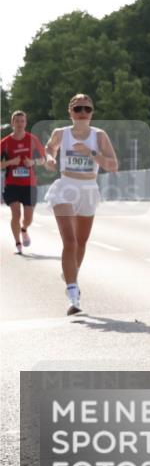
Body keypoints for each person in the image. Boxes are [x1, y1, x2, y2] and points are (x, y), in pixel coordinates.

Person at [43, 94, 119, 314]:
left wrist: (92, 153)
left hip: (88, 189)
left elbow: (113, 165)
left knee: (82, 242)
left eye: (87, 108)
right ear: (70, 112)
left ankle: (71, 272)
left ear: (92, 112)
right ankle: (73, 294)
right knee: (70, 241)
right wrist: (49, 158)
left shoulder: (99, 136)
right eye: (78, 109)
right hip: (66, 187)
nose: (83, 112)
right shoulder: (61, 134)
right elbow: (50, 148)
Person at [1, 110, 45, 254]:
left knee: (28, 217)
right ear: (12, 123)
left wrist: (32, 162)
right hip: (12, 183)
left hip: (29, 184)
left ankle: (24, 229)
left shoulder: (33, 140)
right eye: (17, 121)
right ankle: (18, 243)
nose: (20, 124)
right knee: (16, 214)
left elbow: (43, 159)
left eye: (22, 121)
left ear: (26, 123)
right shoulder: (5, 142)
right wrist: (10, 162)